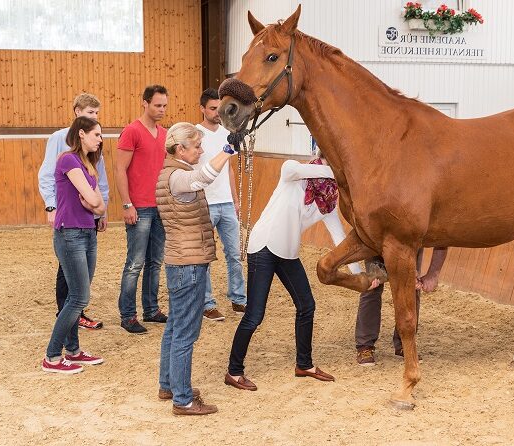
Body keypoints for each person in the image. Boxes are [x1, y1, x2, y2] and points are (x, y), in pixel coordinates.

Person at [225, 153, 368, 391]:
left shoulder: (327, 202)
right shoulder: (292, 172)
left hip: (287, 252)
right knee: (254, 315)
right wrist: (339, 169)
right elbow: (298, 169)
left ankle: (305, 364)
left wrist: (358, 276)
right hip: (264, 247)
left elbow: (339, 238)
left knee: (306, 305)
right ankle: (234, 371)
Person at [156, 122, 236, 415]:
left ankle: (169, 385)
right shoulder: (178, 177)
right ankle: (183, 399)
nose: (201, 151)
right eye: (197, 146)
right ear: (180, 149)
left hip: (181, 260)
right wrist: (228, 151)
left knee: (176, 326)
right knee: (185, 333)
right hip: (188, 262)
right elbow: (204, 177)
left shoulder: (170, 174)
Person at [38, 93, 108, 330]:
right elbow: (47, 173)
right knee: (66, 266)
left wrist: (102, 210)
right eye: (90, 113)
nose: (94, 117)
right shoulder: (60, 139)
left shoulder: (93, 140)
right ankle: (66, 313)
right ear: (77, 111)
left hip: (88, 215)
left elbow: (99, 175)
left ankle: (75, 312)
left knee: (82, 269)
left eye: (96, 113)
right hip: (68, 215)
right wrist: (51, 206)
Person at [115, 85, 169, 334]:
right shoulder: (132, 132)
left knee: (154, 262)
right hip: (140, 207)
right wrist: (127, 203)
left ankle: (151, 309)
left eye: (164, 105)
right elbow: (119, 170)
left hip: (160, 206)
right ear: (144, 103)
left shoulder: (165, 134)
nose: (161, 110)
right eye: (157, 105)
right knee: (135, 263)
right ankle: (127, 315)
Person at [195, 88, 247, 322]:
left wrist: (235, 199)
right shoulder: (195, 134)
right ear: (203, 109)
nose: (217, 113)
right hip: (205, 202)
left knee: (234, 254)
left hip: (226, 202)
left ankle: (238, 298)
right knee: (206, 256)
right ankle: (207, 303)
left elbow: (230, 169)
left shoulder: (227, 133)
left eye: (219, 108)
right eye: (213, 109)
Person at [355, 247, 448, 366]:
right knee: (372, 286)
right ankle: (365, 345)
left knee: (411, 288)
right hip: (378, 239)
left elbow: (442, 239)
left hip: (410, 244)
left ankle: (405, 343)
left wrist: (433, 274)